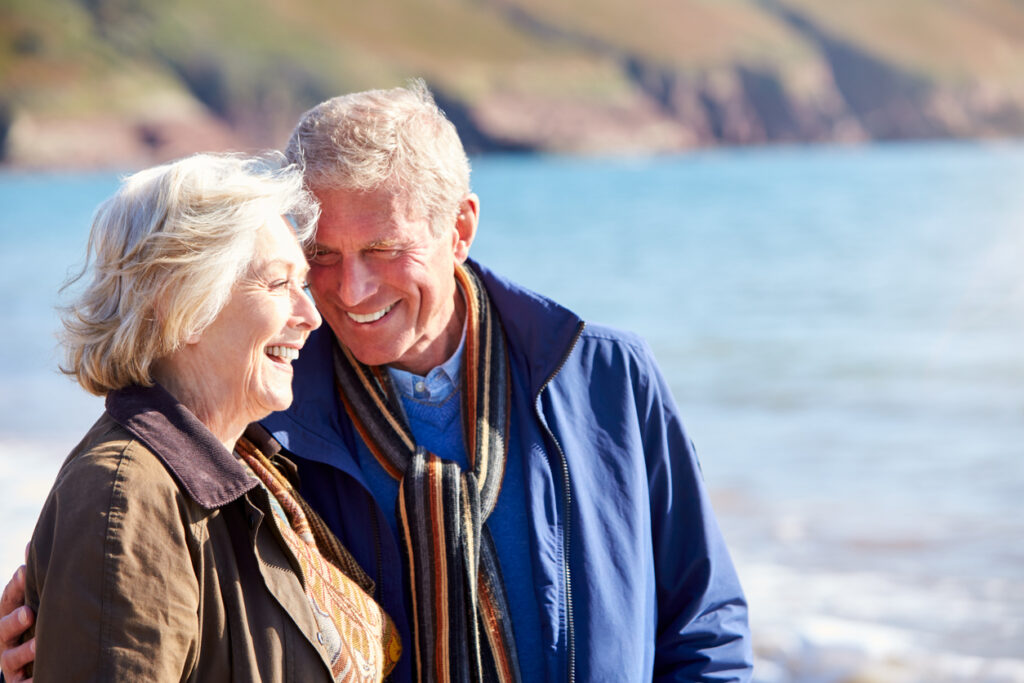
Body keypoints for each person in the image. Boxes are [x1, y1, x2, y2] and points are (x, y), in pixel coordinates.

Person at [3, 81, 752, 681]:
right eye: (319, 254)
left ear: (460, 227)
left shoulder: (607, 378)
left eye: (384, 247)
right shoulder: (261, 405)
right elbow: (127, 551)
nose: (349, 291)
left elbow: (704, 624)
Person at [0, 153, 400, 682]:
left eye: (302, 285)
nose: (310, 316)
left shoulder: (253, 471)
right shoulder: (126, 497)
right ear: (181, 302)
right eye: (279, 285)